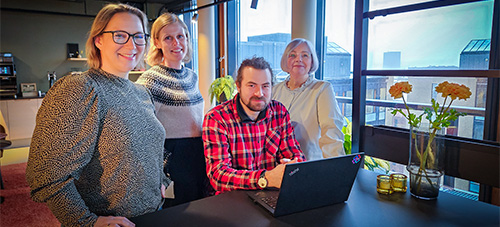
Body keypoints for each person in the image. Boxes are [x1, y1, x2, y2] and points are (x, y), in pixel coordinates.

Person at [26, 4, 169, 227]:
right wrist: (86, 222)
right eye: (120, 35)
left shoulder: (142, 92)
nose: (132, 45)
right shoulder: (81, 88)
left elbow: (150, 147)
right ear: (98, 40)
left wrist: (161, 179)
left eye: (139, 36)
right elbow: (46, 174)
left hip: (154, 212)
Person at [135, 12, 209, 207]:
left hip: (197, 155)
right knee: (177, 214)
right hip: (172, 160)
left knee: (199, 210)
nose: (176, 43)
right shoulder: (150, 80)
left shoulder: (192, 76)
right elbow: (141, 133)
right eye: (168, 38)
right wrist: (160, 170)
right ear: (157, 42)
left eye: (180, 36)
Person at [202, 57, 306, 194]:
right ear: (238, 86)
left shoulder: (279, 112)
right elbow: (218, 176)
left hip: (271, 194)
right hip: (233, 199)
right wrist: (265, 178)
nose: (259, 93)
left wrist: (293, 165)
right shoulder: (217, 118)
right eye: (252, 85)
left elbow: (295, 156)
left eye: (265, 86)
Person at [272, 38, 345, 161]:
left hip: (309, 165)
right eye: (292, 55)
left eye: (305, 55)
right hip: (276, 165)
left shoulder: (322, 89)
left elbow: (331, 131)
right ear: (285, 60)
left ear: (312, 61)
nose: (298, 59)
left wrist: (335, 168)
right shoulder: (274, 90)